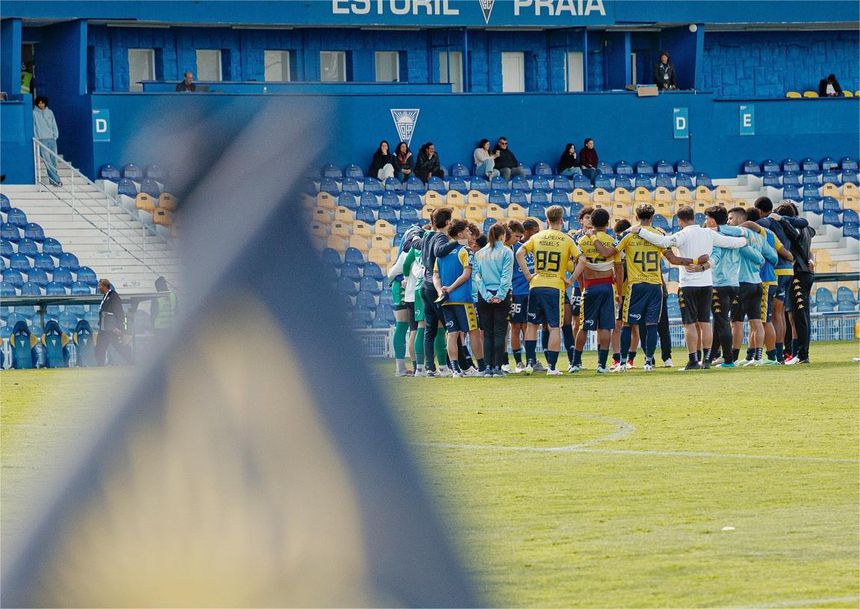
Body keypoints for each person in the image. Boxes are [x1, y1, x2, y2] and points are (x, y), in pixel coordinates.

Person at [632, 205, 747, 370]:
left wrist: (640, 231)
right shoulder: (708, 233)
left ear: (679, 221)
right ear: (694, 217)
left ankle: (693, 360)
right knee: (705, 322)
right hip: (706, 284)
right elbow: (731, 243)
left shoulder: (683, 234)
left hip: (688, 285)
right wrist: (745, 239)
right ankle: (707, 359)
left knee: (689, 324)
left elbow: (663, 242)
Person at [593, 204, 698, 372]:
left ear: (636, 217)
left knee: (627, 324)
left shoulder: (628, 236)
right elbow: (673, 259)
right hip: (655, 286)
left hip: (636, 286)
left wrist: (594, 238)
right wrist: (694, 261)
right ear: (652, 217)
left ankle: (622, 362)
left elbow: (607, 254)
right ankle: (648, 362)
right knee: (651, 325)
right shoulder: (659, 235)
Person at [515, 206, 580, 375]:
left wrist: (528, 275)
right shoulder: (566, 239)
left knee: (531, 325)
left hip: (536, 285)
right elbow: (582, 260)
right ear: (561, 220)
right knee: (554, 327)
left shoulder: (537, 237)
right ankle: (552, 367)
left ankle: (530, 363)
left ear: (546, 220)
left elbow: (519, 253)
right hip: (555, 287)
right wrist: (571, 280)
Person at [567, 208, 623, 373]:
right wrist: (619, 292)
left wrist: (582, 285)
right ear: (607, 223)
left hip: (589, 285)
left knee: (584, 326)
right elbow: (619, 269)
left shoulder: (582, 241)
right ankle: (602, 365)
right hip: (607, 286)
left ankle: (576, 363)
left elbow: (577, 266)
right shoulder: (612, 241)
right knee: (605, 327)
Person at [754, 196, 808, 362]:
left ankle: (774, 354)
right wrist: (783, 218)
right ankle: (782, 354)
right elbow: (804, 222)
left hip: (775, 271)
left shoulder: (767, 222)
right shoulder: (785, 221)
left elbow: (754, 226)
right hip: (788, 270)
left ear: (759, 210)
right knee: (780, 314)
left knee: (770, 317)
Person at [434, 220, 485, 377]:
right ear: (460, 234)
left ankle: (455, 370)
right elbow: (466, 274)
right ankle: (482, 368)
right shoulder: (466, 251)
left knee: (452, 333)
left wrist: (441, 291)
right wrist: (451, 288)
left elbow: (435, 275)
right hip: (463, 299)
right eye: (468, 232)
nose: (471, 235)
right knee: (474, 332)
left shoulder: (442, 254)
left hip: (446, 300)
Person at [742, 208, 793, 366]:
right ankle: (754, 355)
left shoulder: (758, 232)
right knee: (759, 319)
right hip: (774, 278)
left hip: (765, 279)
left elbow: (751, 225)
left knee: (765, 320)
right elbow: (785, 254)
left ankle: (772, 357)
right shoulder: (771, 234)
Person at [727, 207, 774, 367]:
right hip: (757, 282)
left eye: (731, 218)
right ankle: (758, 357)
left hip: (741, 283)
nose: (728, 222)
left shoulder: (739, 234)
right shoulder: (760, 238)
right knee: (756, 322)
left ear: (741, 219)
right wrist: (760, 261)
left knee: (737, 323)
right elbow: (773, 257)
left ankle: (732, 359)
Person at [419, 207, 459, 376]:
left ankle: (429, 367)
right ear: (448, 221)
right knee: (451, 328)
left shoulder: (427, 235)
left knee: (430, 329)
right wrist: (458, 242)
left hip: (425, 285)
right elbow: (439, 251)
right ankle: (455, 365)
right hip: (436, 287)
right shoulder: (440, 237)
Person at [775, 202, 815, 365]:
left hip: (798, 272)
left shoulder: (794, 229)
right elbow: (808, 245)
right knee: (794, 315)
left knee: (799, 316)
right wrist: (811, 259)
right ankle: (795, 352)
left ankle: (802, 354)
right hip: (802, 272)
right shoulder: (807, 229)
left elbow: (797, 238)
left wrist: (782, 221)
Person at [474, 223, 514, 376]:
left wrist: (486, 295)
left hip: (484, 296)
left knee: (487, 333)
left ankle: (488, 367)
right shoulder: (506, 252)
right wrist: (500, 295)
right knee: (499, 332)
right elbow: (506, 276)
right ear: (502, 236)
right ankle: (498, 367)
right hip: (500, 295)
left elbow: (477, 277)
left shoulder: (480, 253)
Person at [96, 279, 133, 366]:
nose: (99, 288)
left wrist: (119, 327)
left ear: (105, 286)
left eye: (100, 286)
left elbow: (119, 312)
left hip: (112, 328)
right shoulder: (106, 296)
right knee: (100, 347)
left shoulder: (113, 296)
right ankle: (100, 365)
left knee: (119, 346)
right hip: (104, 328)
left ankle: (132, 361)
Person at [33, 96, 61, 187]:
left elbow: (54, 124)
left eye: (42, 103)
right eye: (39, 103)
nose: (41, 104)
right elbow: (34, 126)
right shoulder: (34, 113)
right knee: (47, 161)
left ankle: (53, 180)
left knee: (54, 161)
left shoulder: (50, 112)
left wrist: (55, 136)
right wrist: (37, 138)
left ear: (45, 103)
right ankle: (57, 180)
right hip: (42, 140)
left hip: (52, 139)